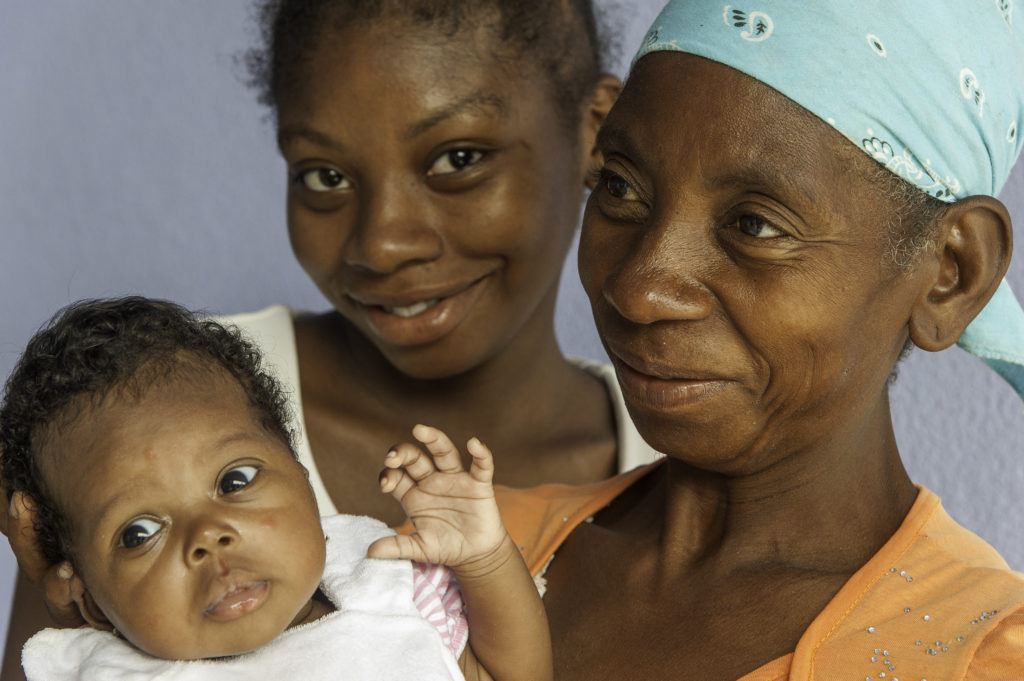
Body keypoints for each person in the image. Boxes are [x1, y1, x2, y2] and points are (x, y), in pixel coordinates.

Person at [1, 1, 659, 671]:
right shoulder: (127, 424)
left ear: (596, 131)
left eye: (457, 158)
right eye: (325, 176)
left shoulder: (678, 471)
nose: (383, 243)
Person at [485, 2, 1024, 679]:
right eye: (620, 185)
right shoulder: (468, 557)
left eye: (755, 225)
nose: (641, 289)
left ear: (952, 273)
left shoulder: (976, 656)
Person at [1, 298, 550, 681]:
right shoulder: (113, 671)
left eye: (234, 480)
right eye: (139, 532)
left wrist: (483, 557)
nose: (208, 536)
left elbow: (514, 674)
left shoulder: (387, 597)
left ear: (303, 475)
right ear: (92, 601)